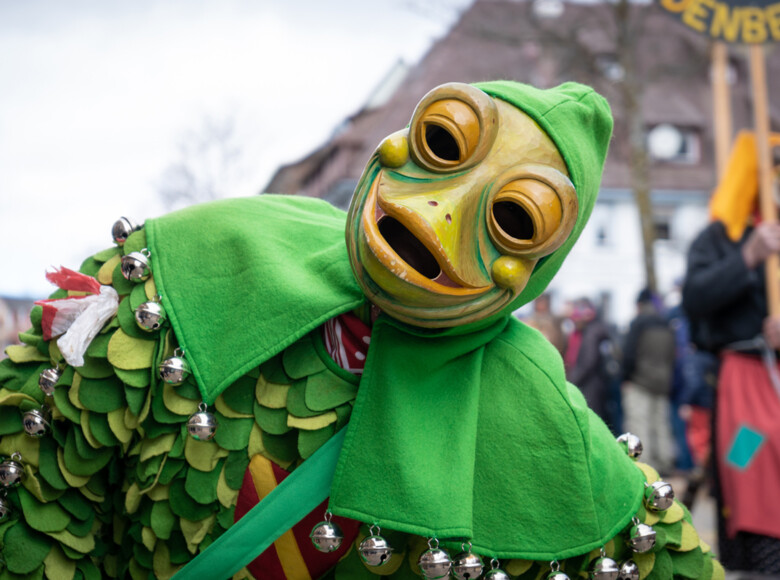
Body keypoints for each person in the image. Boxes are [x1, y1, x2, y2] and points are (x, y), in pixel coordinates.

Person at [0, 81, 722, 579]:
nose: (437, 214)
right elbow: (34, 476)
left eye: (514, 217)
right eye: (445, 141)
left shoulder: (544, 417)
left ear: (539, 268)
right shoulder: (201, 259)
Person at [683, 131, 780, 576]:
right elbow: (697, 298)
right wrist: (749, 256)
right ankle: (755, 555)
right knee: (748, 461)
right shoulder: (719, 237)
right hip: (744, 382)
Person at [621, 288, 676, 475]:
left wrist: (625, 377)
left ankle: (645, 465)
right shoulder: (666, 323)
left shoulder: (638, 323)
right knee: (661, 423)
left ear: (639, 304)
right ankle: (665, 462)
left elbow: (628, 355)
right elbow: (672, 356)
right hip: (663, 382)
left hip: (640, 381)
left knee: (640, 422)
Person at [564, 297, 612, 427]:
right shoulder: (591, 331)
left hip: (590, 386)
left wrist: (572, 381)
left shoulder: (591, 333)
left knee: (591, 422)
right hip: (592, 384)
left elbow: (588, 362)